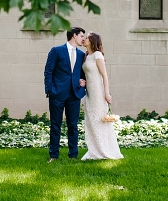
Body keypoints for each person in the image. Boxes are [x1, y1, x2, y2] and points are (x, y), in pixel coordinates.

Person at [43, 27, 87, 162]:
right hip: (57, 94)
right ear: (74, 36)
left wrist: (82, 81)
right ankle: (53, 155)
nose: (83, 39)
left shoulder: (81, 55)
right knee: (55, 125)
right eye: (81, 36)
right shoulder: (56, 51)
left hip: (74, 95)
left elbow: (81, 73)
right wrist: (49, 90)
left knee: (73, 126)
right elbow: (48, 71)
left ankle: (73, 155)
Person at [81, 32, 123, 160]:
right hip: (89, 91)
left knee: (100, 120)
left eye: (87, 38)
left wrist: (106, 93)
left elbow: (104, 75)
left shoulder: (97, 55)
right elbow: (89, 74)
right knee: (91, 120)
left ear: (92, 41)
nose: (84, 39)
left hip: (98, 92)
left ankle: (105, 150)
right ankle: (94, 150)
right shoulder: (86, 56)